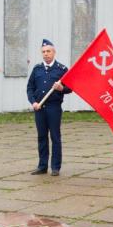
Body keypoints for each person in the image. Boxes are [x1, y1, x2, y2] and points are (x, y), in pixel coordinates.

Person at [26, 39, 71, 176]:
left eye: (48, 51)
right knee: (41, 137)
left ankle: (55, 167)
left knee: (55, 137)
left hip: (54, 108)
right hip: (39, 108)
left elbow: (70, 88)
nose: (46, 54)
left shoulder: (61, 69)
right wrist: (33, 102)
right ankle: (42, 166)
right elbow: (30, 88)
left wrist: (61, 88)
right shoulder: (37, 69)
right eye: (43, 52)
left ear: (54, 52)